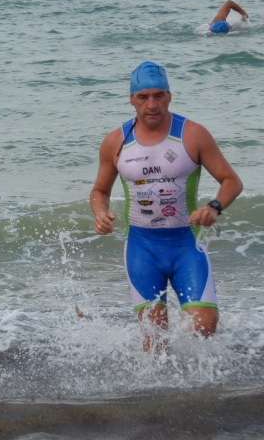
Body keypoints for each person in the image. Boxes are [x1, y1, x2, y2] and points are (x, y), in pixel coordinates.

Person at [90, 61, 242, 351]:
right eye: (143, 97)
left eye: (159, 95)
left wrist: (214, 207)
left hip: (186, 244)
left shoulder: (193, 134)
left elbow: (231, 181)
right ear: (132, 99)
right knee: (154, 340)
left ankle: (204, 375)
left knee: (204, 326)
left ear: (169, 96)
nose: (152, 104)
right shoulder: (116, 142)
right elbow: (99, 191)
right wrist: (100, 213)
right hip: (142, 247)